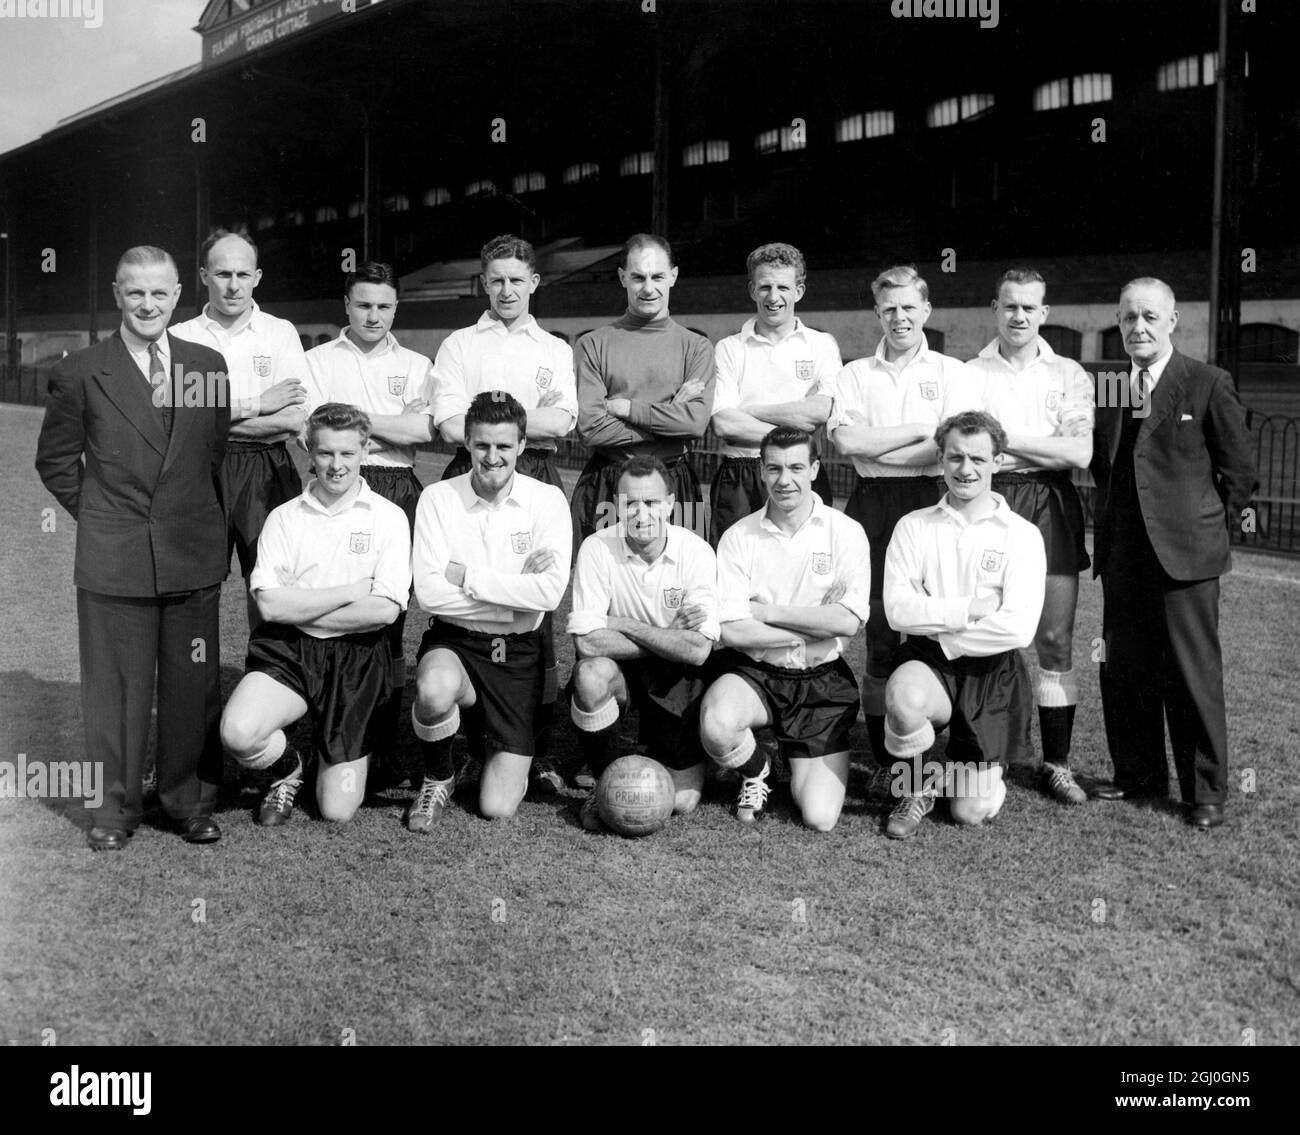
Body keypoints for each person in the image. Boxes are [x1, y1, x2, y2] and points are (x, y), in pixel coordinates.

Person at [35, 245, 229, 850]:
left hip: (192, 554)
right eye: (135, 292)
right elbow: (56, 461)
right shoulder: (82, 369)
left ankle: (186, 800)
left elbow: (208, 454)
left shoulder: (206, 364)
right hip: (114, 560)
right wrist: (106, 519)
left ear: (178, 296)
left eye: (160, 292)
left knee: (191, 685)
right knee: (114, 690)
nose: (148, 304)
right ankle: (111, 811)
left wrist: (186, 518)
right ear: (118, 295)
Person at [1089, 278, 1255, 829]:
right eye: (1129, 317)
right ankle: (1137, 774)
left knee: (1191, 674)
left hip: (1186, 556)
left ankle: (1205, 791)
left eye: (1150, 318)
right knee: (1125, 668)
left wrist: (1207, 529)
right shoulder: (1112, 383)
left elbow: (1241, 473)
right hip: (1124, 555)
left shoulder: (1206, 382)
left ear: (1173, 321)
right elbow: (1103, 461)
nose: (1138, 328)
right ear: (1119, 321)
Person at [429, 234, 578, 793]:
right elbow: (449, 427)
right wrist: (506, 429)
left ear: (534, 282)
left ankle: (530, 743)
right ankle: (467, 739)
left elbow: (564, 422)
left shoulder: (554, 348)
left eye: (518, 279)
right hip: (470, 470)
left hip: (536, 474)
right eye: (497, 279)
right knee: (459, 606)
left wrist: (494, 420)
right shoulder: (459, 345)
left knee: (536, 616)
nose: (507, 289)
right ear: (484, 283)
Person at [219, 403, 411, 825]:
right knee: (238, 733)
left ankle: (342, 750)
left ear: (365, 450)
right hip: (289, 652)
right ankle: (288, 768)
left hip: (358, 658)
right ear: (309, 450)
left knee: (336, 810)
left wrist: (299, 607)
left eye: (347, 454)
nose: (336, 465)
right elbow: (268, 605)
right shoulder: (284, 518)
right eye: (325, 453)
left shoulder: (390, 518)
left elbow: (383, 611)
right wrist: (350, 592)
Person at [828, 265, 981, 776]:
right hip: (869, 503)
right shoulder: (853, 374)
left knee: (936, 625)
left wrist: (884, 442)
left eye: (908, 308)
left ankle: (946, 742)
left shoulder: (952, 373)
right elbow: (847, 444)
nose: (899, 317)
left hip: (930, 501)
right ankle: (883, 760)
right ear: (877, 312)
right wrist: (917, 432)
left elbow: (948, 450)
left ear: (926, 311)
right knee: (877, 635)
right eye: (889, 308)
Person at [408, 391, 572, 829]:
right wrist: (515, 598)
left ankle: (489, 751)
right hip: (456, 642)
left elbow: (550, 593)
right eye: (482, 445)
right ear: (466, 443)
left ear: (522, 445)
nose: (492, 457)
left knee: (497, 807)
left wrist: (468, 576)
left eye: (503, 446)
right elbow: (428, 593)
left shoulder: (548, 500)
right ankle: (438, 775)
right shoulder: (439, 499)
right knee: (434, 688)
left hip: (518, 655)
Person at [881, 410, 1046, 839]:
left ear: (998, 461)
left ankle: (965, 774)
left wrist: (938, 621)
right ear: (940, 459)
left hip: (993, 669)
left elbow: (1018, 629)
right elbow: (898, 610)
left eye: (977, 458)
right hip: (929, 661)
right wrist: (968, 609)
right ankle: (914, 787)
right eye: (955, 457)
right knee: (903, 698)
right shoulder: (913, 526)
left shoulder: (1023, 535)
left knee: (969, 813)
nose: (965, 469)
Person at [699, 428, 870, 831]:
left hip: (820, 683)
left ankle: (791, 756)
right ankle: (758, 767)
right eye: (774, 468)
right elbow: (734, 634)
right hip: (756, 673)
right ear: (760, 470)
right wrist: (815, 626)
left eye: (796, 467)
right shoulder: (739, 537)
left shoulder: (846, 532)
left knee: (820, 817)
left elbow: (848, 621)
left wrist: (768, 612)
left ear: (814, 468)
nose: (784, 479)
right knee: (717, 725)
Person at [966, 268, 1094, 805]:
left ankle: (1056, 763)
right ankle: (978, 751)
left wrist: (1002, 438)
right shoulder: (969, 371)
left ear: (1044, 312)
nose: (1019, 316)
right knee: (979, 628)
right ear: (995, 308)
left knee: (1055, 639)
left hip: (1051, 501)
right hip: (987, 500)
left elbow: (1078, 454)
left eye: (1029, 308)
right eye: (1009, 306)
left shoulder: (1069, 373)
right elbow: (964, 449)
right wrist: (1043, 442)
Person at [303, 261, 435, 785]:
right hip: (334, 488)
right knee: (330, 605)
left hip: (399, 487)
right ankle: (325, 735)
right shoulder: (316, 360)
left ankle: (383, 745)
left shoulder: (419, 363)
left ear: (396, 307)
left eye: (383, 305)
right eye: (363, 304)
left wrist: (350, 419)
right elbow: (314, 433)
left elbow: (422, 432)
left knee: (389, 617)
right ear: (347, 306)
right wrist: (388, 423)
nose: (373, 314)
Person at [567, 455, 720, 831]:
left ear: (669, 503)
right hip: (625, 671)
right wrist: (668, 633)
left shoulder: (696, 551)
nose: (640, 513)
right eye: (630, 503)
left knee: (681, 802)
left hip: (678, 676)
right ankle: (605, 779)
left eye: (650, 503)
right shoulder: (597, 547)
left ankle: (698, 752)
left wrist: (619, 623)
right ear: (616, 504)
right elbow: (587, 643)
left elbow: (698, 651)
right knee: (590, 676)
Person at [170, 228, 309, 630]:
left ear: (258, 277)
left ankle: (269, 678)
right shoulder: (181, 337)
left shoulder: (280, 332)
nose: (233, 286)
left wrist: (213, 417)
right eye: (222, 274)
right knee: (195, 584)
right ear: (203, 275)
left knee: (269, 581)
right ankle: (196, 688)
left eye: (242, 275)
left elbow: (294, 418)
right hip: (200, 469)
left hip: (267, 467)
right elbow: (180, 419)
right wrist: (260, 404)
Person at [571, 233, 715, 546]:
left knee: (682, 583)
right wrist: (669, 414)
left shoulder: (697, 347)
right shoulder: (593, 344)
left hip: (675, 479)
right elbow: (592, 428)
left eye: (657, 277)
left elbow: (695, 424)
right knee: (606, 582)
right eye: (638, 277)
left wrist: (630, 409)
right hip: (609, 481)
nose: (648, 288)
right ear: (623, 277)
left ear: (673, 276)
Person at [709, 242, 841, 546]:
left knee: (806, 573)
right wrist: (796, 434)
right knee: (735, 577)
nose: (773, 296)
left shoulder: (821, 345)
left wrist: (747, 409)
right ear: (752, 290)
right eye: (764, 286)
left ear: (799, 291)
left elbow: (820, 412)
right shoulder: (730, 348)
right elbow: (724, 424)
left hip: (801, 471)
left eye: (783, 287)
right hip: (742, 474)